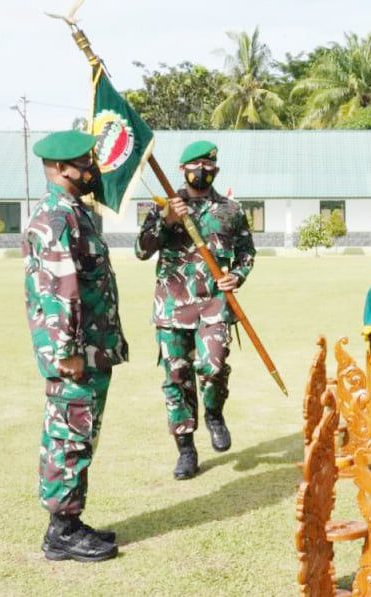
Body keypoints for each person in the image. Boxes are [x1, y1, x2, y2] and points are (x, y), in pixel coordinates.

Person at [22, 130, 128, 562]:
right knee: (68, 434)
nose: (92, 170)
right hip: (74, 353)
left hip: (89, 348)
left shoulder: (73, 212)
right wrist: (67, 351)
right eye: (85, 164)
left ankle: (69, 521)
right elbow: (60, 289)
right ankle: (61, 531)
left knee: (79, 434)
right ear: (61, 168)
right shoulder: (56, 217)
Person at [135, 140, 255, 480]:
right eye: (196, 165)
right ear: (182, 170)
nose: (202, 171)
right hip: (172, 306)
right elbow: (141, 250)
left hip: (214, 304)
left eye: (208, 165)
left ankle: (214, 412)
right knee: (177, 379)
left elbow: (246, 252)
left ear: (216, 170)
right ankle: (186, 449)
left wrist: (237, 275)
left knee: (213, 367)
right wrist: (165, 220)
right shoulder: (164, 206)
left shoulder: (230, 210)